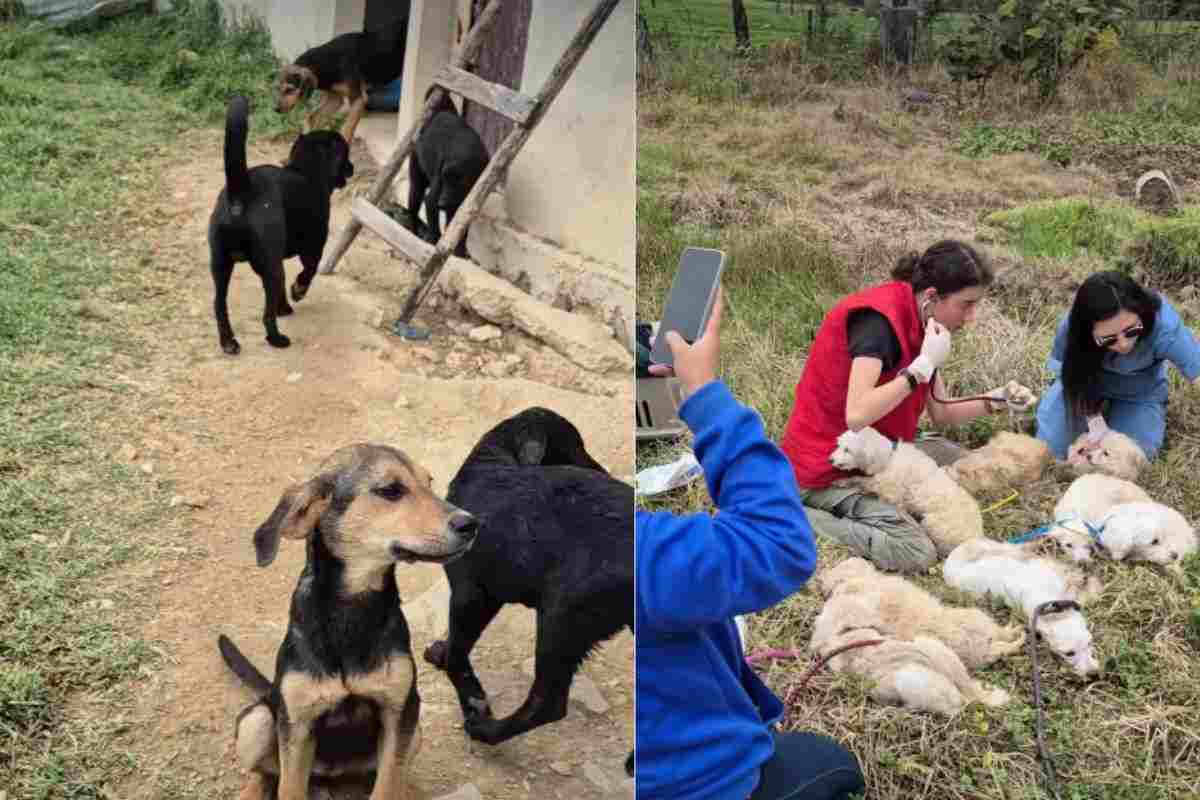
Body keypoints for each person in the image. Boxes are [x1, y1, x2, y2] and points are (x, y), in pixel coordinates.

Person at [636, 287, 865, 800]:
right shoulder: (635, 550)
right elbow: (780, 543)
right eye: (966, 304)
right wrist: (704, 392)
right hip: (698, 783)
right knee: (832, 765)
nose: (968, 316)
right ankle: (818, 513)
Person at [779, 239, 1035, 574]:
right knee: (915, 551)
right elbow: (857, 416)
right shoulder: (878, 323)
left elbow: (941, 412)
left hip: (884, 450)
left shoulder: (927, 324)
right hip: (829, 465)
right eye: (966, 304)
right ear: (932, 296)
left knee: (966, 463)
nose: (971, 317)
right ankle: (790, 512)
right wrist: (923, 366)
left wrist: (998, 400)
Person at [1035, 270, 1200, 461]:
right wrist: (1095, 425)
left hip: (1139, 391)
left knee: (1133, 458)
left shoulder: (1162, 322)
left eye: (1131, 331)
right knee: (1049, 451)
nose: (1123, 344)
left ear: (1141, 312)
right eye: (1108, 339)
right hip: (1086, 385)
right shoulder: (1072, 328)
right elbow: (1072, 377)